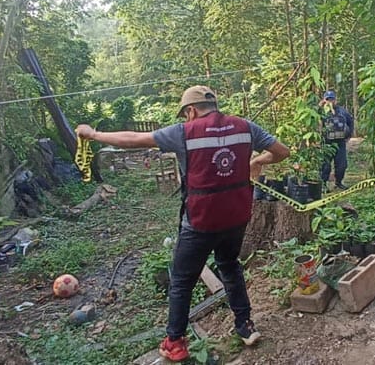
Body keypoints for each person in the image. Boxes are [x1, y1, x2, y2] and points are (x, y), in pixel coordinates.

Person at [75, 86, 290, 362]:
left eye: (186, 113)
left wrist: (93, 135)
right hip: (236, 218)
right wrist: (259, 160)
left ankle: (175, 341)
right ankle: (245, 326)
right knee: (230, 267)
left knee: (182, 281)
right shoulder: (245, 127)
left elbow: (133, 139)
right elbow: (282, 152)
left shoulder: (183, 132)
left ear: (190, 111)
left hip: (200, 223)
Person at [319, 90, 354, 190]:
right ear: (324, 100)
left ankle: (338, 182)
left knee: (342, 165)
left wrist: (349, 136)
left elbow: (350, 122)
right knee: (325, 165)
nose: (330, 102)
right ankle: (323, 184)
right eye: (328, 99)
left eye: (332, 99)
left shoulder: (342, 111)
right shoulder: (321, 111)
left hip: (340, 142)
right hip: (326, 142)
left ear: (335, 100)